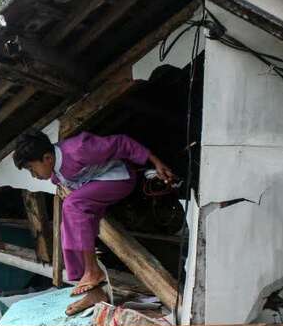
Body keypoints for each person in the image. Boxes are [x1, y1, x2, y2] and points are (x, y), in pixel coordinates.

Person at [13, 129, 176, 314]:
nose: (33, 175)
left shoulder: (79, 149)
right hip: (96, 187)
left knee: (72, 204)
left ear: (47, 158)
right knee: (67, 228)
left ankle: (92, 271)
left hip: (120, 179)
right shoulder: (55, 173)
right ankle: (94, 292)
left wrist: (156, 162)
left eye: (31, 168)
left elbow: (121, 142)